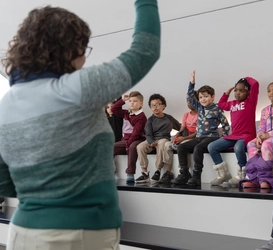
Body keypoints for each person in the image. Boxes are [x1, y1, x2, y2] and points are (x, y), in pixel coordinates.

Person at [0, 1, 160, 249]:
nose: (84, 59)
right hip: (78, 234)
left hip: (24, 232)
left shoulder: (7, 103)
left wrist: (41, 196)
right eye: (82, 49)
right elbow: (145, 51)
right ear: (66, 51)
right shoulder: (76, 89)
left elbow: (2, 179)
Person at [173, 70, 230, 186]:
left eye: (206, 96)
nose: (203, 99)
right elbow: (189, 97)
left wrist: (225, 139)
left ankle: (196, 176)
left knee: (198, 148)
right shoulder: (199, 107)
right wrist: (191, 83)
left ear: (212, 96)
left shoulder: (217, 109)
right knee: (181, 148)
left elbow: (225, 124)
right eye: (201, 97)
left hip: (211, 138)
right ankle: (184, 173)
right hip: (199, 137)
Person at [207, 76, 259, 186]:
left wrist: (245, 78)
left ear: (248, 92)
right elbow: (221, 104)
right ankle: (223, 174)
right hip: (234, 135)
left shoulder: (250, 102)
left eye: (241, 90)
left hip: (247, 135)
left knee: (238, 147)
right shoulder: (232, 104)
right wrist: (227, 93)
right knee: (212, 146)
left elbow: (255, 84)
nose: (238, 93)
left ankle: (242, 174)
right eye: (236, 90)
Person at [241, 82, 273, 189]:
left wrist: (268, 135)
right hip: (266, 136)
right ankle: (253, 178)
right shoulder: (265, 110)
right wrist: (260, 136)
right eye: (269, 91)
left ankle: (267, 179)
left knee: (266, 144)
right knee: (251, 144)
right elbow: (261, 126)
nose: (271, 93)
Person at [136, 94, 181, 184]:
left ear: (163, 106)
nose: (154, 107)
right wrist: (151, 142)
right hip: (152, 139)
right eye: (152, 105)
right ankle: (145, 173)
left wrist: (181, 136)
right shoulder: (150, 120)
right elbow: (148, 134)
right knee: (140, 146)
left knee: (161, 144)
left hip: (164, 139)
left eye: (157, 105)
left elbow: (180, 128)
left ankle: (158, 170)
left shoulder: (169, 118)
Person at [112, 91, 147, 184]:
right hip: (126, 140)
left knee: (132, 147)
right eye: (130, 101)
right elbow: (114, 109)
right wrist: (122, 100)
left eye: (135, 101)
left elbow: (136, 133)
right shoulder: (126, 113)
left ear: (141, 103)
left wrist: (128, 144)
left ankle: (130, 174)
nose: (131, 103)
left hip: (138, 139)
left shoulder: (141, 117)